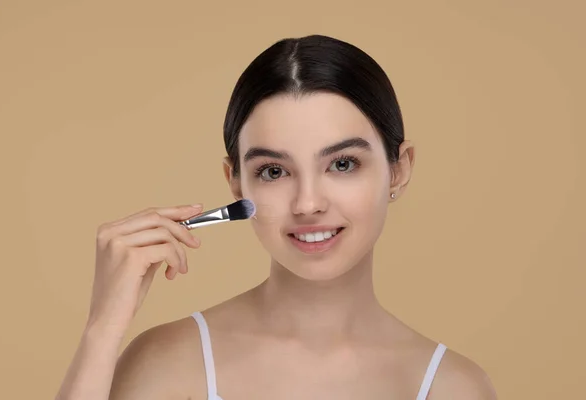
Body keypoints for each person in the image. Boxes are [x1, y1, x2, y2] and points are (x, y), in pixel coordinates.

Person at [55, 34, 497, 400]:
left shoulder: (453, 387)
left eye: (342, 164)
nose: (307, 203)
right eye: (274, 171)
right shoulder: (168, 361)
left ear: (398, 170)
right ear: (235, 182)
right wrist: (102, 330)